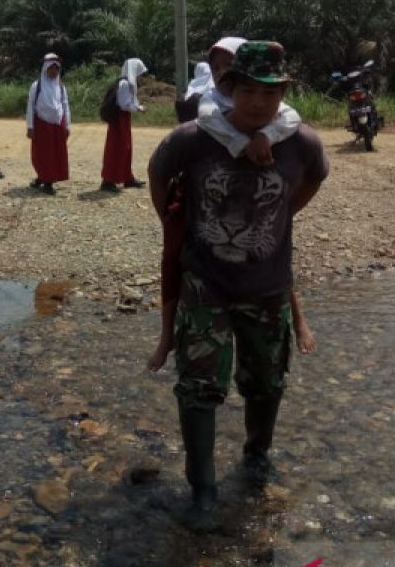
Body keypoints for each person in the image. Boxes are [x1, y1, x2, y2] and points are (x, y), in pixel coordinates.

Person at [147, 41, 328, 531]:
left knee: (267, 380)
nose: (257, 103)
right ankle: (202, 488)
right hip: (206, 282)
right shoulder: (193, 138)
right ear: (228, 88)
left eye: (269, 93)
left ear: (283, 92)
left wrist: (281, 214)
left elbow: (315, 178)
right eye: (247, 90)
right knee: (198, 387)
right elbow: (157, 170)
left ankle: (256, 456)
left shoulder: (302, 143)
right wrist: (174, 220)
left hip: (267, 286)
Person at [100, 57, 147, 193]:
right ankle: (108, 180)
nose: (139, 75)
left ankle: (127, 178)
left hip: (122, 119)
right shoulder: (125, 84)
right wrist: (139, 109)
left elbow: (128, 102)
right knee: (117, 148)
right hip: (119, 120)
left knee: (125, 148)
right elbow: (124, 104)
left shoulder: (125, 83)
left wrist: (137, 107)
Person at [26, 54, 71, 195]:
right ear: (45, 69)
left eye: (56, 69)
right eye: (51, 68)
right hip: (41, 124)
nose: (54, 72)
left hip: (57, 124)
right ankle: (45, 180)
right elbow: (31, 106)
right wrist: (30, 126)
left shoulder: (61, 87)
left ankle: (47, 179)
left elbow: (65, 106)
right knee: (42, 154)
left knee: (55, 154)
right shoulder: (36, 86)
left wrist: (67, 125)